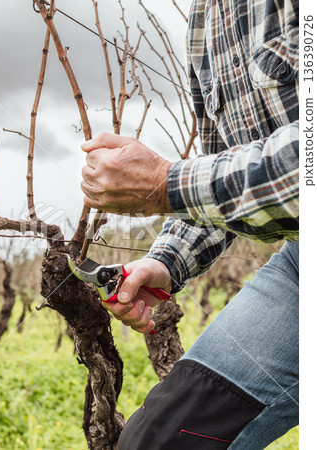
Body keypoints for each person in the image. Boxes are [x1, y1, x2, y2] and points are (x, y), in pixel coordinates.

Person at [80, 0, 299, 448]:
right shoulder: (206, 21)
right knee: (159, 440)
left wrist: (165, 183)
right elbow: (226, 172)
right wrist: (164, 261)